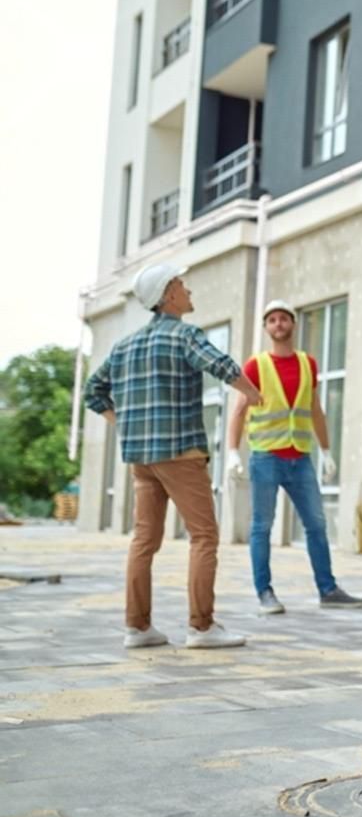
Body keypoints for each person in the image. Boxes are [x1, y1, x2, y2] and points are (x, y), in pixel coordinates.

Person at [84, 263, 263, 649]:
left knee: (144, 540)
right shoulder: (184, 335)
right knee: (204, 535)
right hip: (180, 453)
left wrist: (126, 422)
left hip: (141, 459)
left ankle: (138, 627)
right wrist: (251, 393)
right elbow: (221, 365)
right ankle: (201, 627)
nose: (189, 290)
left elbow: (92, 392)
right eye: (182, 285)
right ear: (168, 295)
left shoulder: (123, 346)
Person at [226, 299, 362, 613]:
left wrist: (327, 450)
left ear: (293, 324)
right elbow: (239, 411)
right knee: (262, 526)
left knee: (316, 524)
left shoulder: (307, 364)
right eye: (272, 320)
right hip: (265, 458)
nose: (278, 324)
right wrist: (233, 452)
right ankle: (265, 593)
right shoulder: (256, 366)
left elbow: (315, 409)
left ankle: (328, 590)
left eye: (283, 319)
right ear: (266, 328)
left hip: (300, 459)